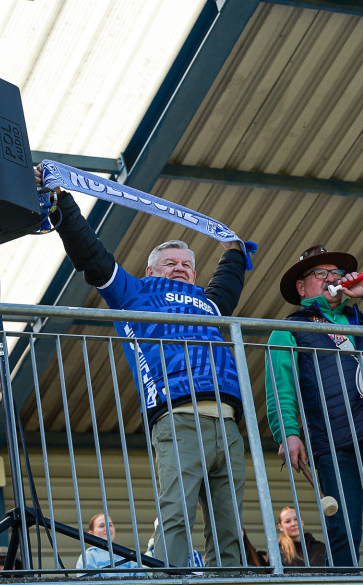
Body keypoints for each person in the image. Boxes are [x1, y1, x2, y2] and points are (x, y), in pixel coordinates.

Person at [37, 166, 248, 568]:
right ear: (151, 270)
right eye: (170, 262)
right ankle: (172, 579)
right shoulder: (133, 292)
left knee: (230, 525)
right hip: (178, 417)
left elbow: (229, 278)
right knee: (176, 515)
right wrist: (62, 200)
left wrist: (234, 249)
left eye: (186, 264)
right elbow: (91, 254)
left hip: (228, 423)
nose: (180, 268)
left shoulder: (209, 303)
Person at [265, 244, 363, 567]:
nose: (331, 279)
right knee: (343, 530)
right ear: (302, 287)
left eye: (336, 273)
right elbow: (280, 388)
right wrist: (287, 432)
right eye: (320, 273)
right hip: (333, 439)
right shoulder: (288, 329)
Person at [75, 513, 146, 576]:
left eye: (110, 525)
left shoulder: (126, 553)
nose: (107, 528)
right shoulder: (88, 556)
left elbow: (141, 579)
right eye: (101, 526)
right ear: (91, 534)